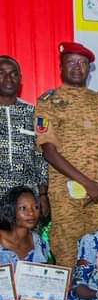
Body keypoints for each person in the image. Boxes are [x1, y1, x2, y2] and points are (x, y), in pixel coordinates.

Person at [35, 42, 98, 267]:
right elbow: (49, 151)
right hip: (65, 195)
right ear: (61, 67)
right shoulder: (48, 102)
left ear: (89, 68)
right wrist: (88, 184)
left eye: (82, 63)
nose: (77, 67)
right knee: (67, 253)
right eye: (71, 62)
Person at [0, 56, 48, 207]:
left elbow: (41, 156)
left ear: (20, 79)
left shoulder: (36, 114)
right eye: (1, 73)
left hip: (26, 199)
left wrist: (43, 194)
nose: (8, 78)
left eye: (13, 74)